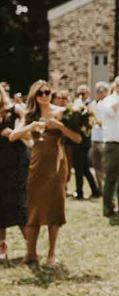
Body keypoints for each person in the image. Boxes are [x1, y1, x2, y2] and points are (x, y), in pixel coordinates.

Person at [10, 79, 81, 266]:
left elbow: (78, 138)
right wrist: (30, 127)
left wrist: (60, 127)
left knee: (54, 209)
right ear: (34, 95)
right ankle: (31, 253)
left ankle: (51, 254)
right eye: (40, 93)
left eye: (47, 92)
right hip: (36, 165)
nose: (44, 96)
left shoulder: (61, 112)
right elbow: (13, 136)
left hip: (56, 165)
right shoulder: (29, 113)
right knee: (33, 208)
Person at [95, 75, 119, 217]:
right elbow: (110, 112)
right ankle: (108, 208)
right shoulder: (108, 100)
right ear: (115, 86)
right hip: (113, 144)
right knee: (111, 178)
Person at [0, 88, 28, 262]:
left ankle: (30, 246)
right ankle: (1, 246)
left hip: (16, 165)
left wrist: (12, 133)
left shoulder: (15, 110)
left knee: (19, 205)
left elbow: (23, 130)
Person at [69, 85, 99, 200]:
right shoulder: (75, 105)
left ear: (88, 93)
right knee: (85, 168)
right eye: (79, 93)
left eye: (84, 92)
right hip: (76, 137)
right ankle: (95, 190)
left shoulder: (90, 106)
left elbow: (91, 122)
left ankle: (80, 192)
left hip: (83, 139)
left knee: (78, 168)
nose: (81, 95)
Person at [89, 82, 109, 191]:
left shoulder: (108, 104)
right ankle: (100, 187)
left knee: (105, 165)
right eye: (97, 91)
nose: (99, 93)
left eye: (101, 91)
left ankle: (106, 187)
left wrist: (100, 122)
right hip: (94, 138)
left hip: (104, 138)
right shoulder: (92, 104)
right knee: (96, 164)